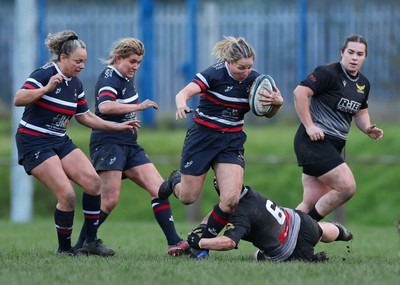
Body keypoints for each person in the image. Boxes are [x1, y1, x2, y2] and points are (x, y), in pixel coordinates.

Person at [14, 30, 140, 256]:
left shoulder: (76, 83)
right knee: (67, 194)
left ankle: (90, 242)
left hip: (59, 140)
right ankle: (64, 250)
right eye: (78, 61)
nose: (82, 65)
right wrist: (45, 89)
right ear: (63, 57)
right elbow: (18, 98)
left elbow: (85, 116)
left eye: (84, 61)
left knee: (93, 183)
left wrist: (117, 126)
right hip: (34, 141)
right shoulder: (45, 73)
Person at [158, 36, 284, 259]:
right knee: (188, 197)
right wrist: (181, 105)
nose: (246, 71)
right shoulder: (213, 74)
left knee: (231, 200)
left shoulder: (256, 81)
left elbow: (267, 113)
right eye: (240, 67)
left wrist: (276, 104)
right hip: (202, 139)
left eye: (250, 66)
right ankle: (175, 179)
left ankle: (201, 244)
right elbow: (183, 93)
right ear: (228, 60)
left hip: (231, 142)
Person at [73, 37, 189, 256]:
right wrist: (139, 105)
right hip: (108, 143)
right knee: (109, 200)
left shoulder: (126, 76)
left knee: (159, 190)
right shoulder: (110, 76)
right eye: (132, 61)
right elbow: (105, 106)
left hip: (129, 143)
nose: (135, 66)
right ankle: (82, 245)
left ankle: (175, 243)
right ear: (118, 59)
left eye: (139, 62)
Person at [293, 34, 384, 221]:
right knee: (347, 187)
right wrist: (309, 126)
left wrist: (367, 128)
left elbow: (360, 112)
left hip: (334, 146)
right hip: (314, 141)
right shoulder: (328, 73)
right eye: (350, 52)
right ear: (342, 52)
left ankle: (282, 240)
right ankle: (302, 234)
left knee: (310, 202)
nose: (354, 57)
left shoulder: (363, 84)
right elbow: (300, 92)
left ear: (365, 57)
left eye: (359, 54)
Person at [187, 178, 353, 261]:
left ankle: (311, 259)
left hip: (292, 250)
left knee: (257, 257)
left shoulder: (241, 215)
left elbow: (228, 243)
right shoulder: (248, 193)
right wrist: (202, 227)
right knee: (320, 230)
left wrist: (200, 243)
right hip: (300, 220)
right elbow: (218, 212)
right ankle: (341, 232)